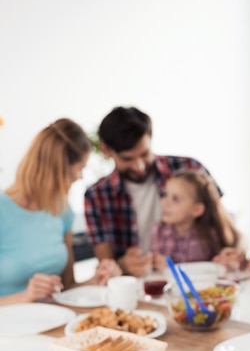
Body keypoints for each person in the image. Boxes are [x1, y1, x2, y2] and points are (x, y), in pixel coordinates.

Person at [84, 106, 224, 277]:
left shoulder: (189, 168)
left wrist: (235, 253)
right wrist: (122, 265)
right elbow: (106, 264)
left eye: (144, 154)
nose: (139, 166)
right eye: (127, 159)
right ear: (106, 150)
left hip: (200, 281)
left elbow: (228, 229)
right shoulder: (96, 196)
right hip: (139, 287)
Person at [0, 119, 120, 305]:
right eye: (80, 168)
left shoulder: (62, 210)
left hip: (53, 323)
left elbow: (68, 287)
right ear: (58, 167)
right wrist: (24, 297)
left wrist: (100, 278)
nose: (80, 177)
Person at [150, 169, 245, 270]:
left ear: (197, 209)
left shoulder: (211, 234)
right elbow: (154, 264)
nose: (164, 203)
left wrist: (224, 260)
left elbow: (225, 262)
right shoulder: (158, 231)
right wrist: (155, 262)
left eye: (175, 199)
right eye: (165, 194)